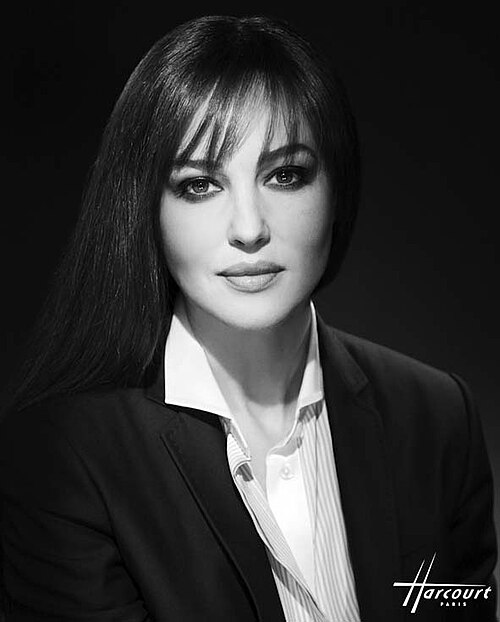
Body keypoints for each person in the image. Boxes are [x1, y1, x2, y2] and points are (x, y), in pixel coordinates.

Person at [0, 14, 497, 622]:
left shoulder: (440, 419)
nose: (249, 227)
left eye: (285, 175)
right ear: (145, 207)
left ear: (336, 188)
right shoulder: (61, 459)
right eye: (200, 185)